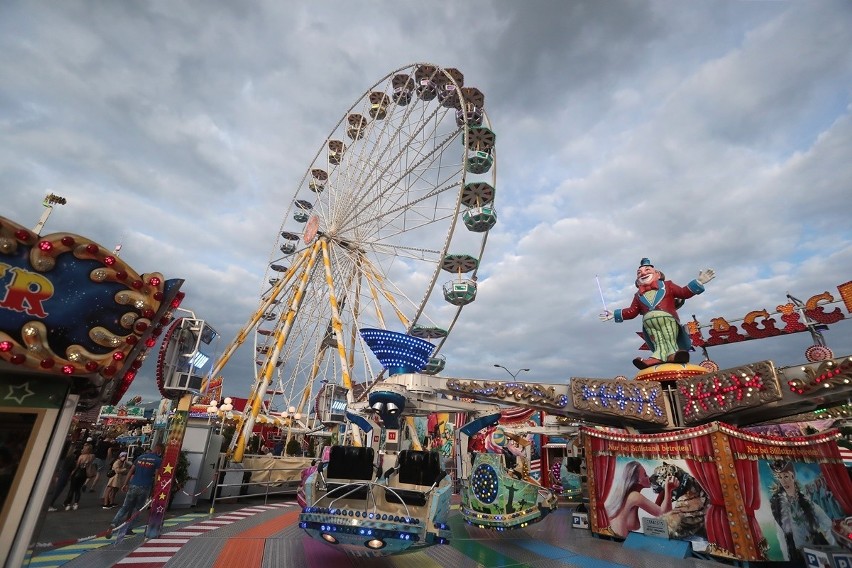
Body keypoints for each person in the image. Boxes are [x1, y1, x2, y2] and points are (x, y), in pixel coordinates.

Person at [600, 258, 715, 369]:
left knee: (668, 337)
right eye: (639, 273)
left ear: (658, 274)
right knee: (657, 341)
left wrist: (698, 282)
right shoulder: (638, 295)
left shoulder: (668, 285)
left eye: (647, 270)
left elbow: (683, 292)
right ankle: (656, 357)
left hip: (667, 320)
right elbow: (632, 311)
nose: (642, 274)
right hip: (649, 325)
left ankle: (673, 354)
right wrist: (614, 314)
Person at [769, 460, 836, 563]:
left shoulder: (806, 500)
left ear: (793, 476)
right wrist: (788, 560)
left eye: (786, 476)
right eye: (780, 477)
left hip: (817, 550)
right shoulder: (778, 507)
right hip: (798, 555)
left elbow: (825, 521)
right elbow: (781, 536)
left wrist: (833, 546)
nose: (783, 481)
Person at [604, 460, 679, 538]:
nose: (649, 477)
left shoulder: (629, 497)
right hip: (619, 540)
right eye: (645, 475)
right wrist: (668, 489)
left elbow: (633, 525)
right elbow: (664, 513)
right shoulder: (634, 496)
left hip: (615, 536)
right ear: (638, 480)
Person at [106, 443, 164, 538]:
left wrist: (125, 483)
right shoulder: (158, 460)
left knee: (125, 507)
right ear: (159, 450)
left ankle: (113, 524)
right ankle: (128, 528)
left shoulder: (140, 457)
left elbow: (131, 471)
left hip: (133, 484)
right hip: (145, 486)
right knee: (138, 509)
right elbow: (157, 476)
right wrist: (155, 488)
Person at [47, 444, 78, 511]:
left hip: (61, 472)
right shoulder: (72, 457)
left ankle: (50, 504)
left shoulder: (65, 456)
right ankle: (50, 505)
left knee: (56, 489)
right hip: (65, 474)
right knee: (58, 490)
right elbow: (72, 466)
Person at [63, 444, 94, 511]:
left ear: (86, 450)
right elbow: (90, 466)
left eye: (84, 448)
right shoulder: (91, 457)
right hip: (84, 474)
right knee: (78, 489)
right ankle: (76, 504)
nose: (82, 449)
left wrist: (72, 473)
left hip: (77, 473)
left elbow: (77, 466)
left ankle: (68, 504)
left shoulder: (81, 456)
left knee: (72, 489)